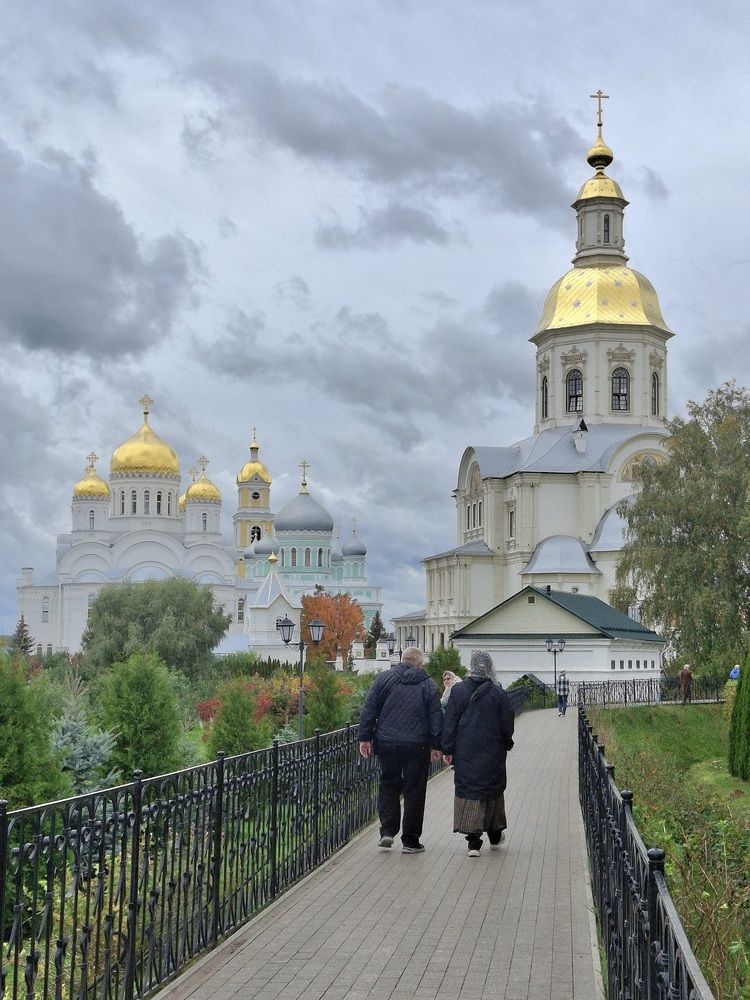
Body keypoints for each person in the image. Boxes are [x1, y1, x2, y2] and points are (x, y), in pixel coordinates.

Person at [359, 647, 443, 854]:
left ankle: (387, 831)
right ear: (420, 663)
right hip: (418, 744)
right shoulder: (428, 685)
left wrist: (365, 738)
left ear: (400, 660)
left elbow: (369, 708)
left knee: (389, 784)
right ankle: (410, 841)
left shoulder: (383, 679)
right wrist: (437, 746)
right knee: (415, 790)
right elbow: (436, 718)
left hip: (387, 742)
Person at [441, 650, 515, 857]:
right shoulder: (498, 693)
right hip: (493, 751)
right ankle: (494, 834)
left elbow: (450, 722)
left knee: (470, 791)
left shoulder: (458, 691)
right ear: (489, 667)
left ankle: (473, 842)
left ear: (471, 666)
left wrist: (447, 749)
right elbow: (507, 722)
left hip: (466, 751)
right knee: (492, 791)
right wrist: (507, 742)